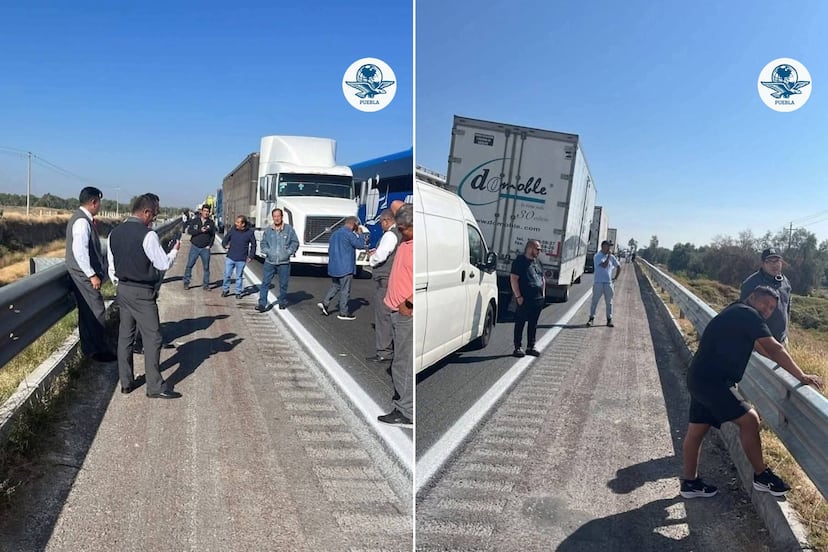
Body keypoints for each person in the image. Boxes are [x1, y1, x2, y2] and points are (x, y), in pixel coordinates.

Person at [680, 285, 823, 499]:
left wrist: (777, 362)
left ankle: (690, 484)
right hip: (713, 382)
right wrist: (801, 376)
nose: (767, 309)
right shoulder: (749, 314)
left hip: (699, 377)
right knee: (750, 420)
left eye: (772, 308)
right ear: (752, 297)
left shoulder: (736, 309)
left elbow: (760, 346)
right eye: (765, 303)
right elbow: (774, 348)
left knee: (696, 431)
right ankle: (761, 476)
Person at [107, 194, 182, 399]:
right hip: (142, 292)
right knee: (153, 337)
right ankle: (154, 386)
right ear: (146, 212)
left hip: (123, 289)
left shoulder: (114, 233)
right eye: (155, 213)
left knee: (125, 336)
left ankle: (126, 382)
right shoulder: (148, 235)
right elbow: (163, 264)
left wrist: (120, 285)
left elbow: (112, 267)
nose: (155, 217)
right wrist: (174, 251)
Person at [65, 186, 116, 363]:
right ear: (94, 202)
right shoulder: (81, 222)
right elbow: (80, 251)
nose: (100, 205)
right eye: (99, 202)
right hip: (83, 276)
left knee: (87, 313)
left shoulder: (83, 219)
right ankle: (99, 350)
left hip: (81, 275)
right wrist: (92, 275)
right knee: (96, 311)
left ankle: (90, 350)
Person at [377, 204, 413, 428]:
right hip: (396, 309)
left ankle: (406, 411)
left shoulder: (418, 245)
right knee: (400, 360)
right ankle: (403, 404)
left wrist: (408, 303)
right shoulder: (406, 239)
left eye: (403, 228)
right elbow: (396, 206)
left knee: (403, 362)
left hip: (405, 312)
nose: (400, 231)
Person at [317, 216, 370, 320]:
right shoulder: (349, 234)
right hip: (346, 266)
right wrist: (361, 235)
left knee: (336, 285)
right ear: (354, 224)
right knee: (345, 290)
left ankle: (325, 303)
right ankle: (343, 313)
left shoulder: (335, 234)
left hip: (334, 265)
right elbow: (360, 245)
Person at [367, 209, 400, 362]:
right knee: (393, 315)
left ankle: (384, 352)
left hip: (384, 279)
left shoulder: (390, 235)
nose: (381, 225)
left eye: (381, 222)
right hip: (394, 279)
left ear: (386, 220)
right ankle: (393, 347)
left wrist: (371, 258)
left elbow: (381, 256)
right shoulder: (400, 234)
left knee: (383, 316)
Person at [740, 248, 792, 345]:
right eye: (769, 261)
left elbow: (787, 308)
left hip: (781, 340)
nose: (774, 265)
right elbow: (742, 313)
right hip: (759, 341)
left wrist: (786, 332)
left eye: (777, 261)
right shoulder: (751, 283)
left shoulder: (785, 282)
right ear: (763, 264)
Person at [257, 208, 299, 311]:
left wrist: (288, 252)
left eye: (278, 216)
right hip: (270, 261)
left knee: (283, 284)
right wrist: (268, 251)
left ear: (282, 217)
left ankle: (282, 301)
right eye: (275, 216)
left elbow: (295, 242)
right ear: (272, 217)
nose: (276, 218)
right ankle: (262, 303)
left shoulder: (289, 229)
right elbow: (263, 243)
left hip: (284, 262)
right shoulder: (268, 230)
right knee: (265, 283)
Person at [510, 239, 545, 358]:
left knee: (533, 324)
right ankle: (518, 347)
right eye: (537, 249)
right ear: (530, 248)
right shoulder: (519, 261)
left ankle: (531, 346)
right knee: (520, 323)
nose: (539, 251)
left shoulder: (538, 262)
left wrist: (543, 294)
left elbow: (542, 278)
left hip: (537, 299)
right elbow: (514, 279)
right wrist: (518, 296)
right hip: (524, 299)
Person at [587, 240, 621, 327]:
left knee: (609, 302)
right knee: (595, 301)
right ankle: (591, 318)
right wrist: (609, 256)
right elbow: (604, 265)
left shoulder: (612, 257)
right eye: (608, 246)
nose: (609, 248)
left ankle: (609, 320)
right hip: (598, 282)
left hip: (608, 283)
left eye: (610, 246)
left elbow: (618, 266)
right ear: (603, 247)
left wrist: (615, 277)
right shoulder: (598, 256)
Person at [222, 215, 256, 299]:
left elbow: (254, 245)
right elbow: (225, 239)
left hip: (241, 258)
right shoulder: (233, 230)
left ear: (243, 224)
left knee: (239, 277)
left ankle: (238, 292)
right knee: (227, 275)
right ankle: (225, 290)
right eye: (236, 222)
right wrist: (225, 245)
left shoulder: (249, 233)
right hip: (230, 257)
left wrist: (251, 256)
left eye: (238, 222)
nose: (236, 223)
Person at [183, 205, 216, 290]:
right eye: (205, 211)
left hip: (205, 248)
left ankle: (206, 285)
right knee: (189, 265)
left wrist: (210, 245)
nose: (206, 213)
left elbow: (213, 235)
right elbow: (190, 231)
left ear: (209, 212)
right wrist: (200, 230)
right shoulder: (195, 221)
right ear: (201, 211)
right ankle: (186, 282)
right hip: (195, 246)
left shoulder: (211, 223)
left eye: (207, 211)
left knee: (206, 267)